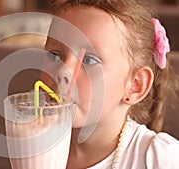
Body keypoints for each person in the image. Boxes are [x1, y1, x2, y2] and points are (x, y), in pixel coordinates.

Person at [42, 0, 179, 168]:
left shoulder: (160, 159)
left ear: (136, 85)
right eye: (54, 55)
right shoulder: (32, 143)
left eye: (89, 60)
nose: (63, 71)